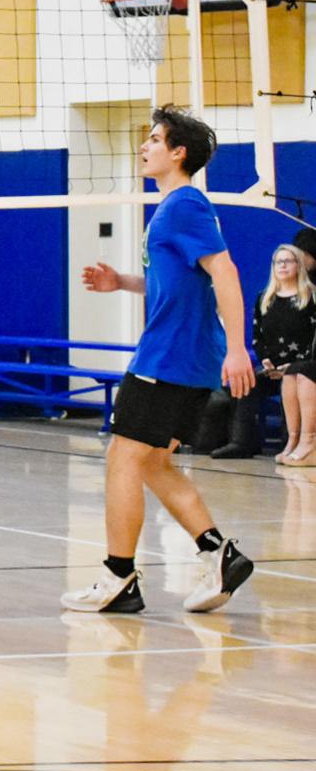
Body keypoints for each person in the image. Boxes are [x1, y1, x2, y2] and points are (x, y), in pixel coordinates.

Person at [63, 106, 255, 616]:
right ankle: (219, 554)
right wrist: (123, 282)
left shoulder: (184, 204)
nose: (143, 146)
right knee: (152, 462)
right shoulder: (173, 209)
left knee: (123, 459)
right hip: (186, 357)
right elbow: (180, 282)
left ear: (178, 152)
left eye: (153, 139)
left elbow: (226, 273)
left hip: (168, 356)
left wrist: (239, 348)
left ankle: (119, 577)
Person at [257, 242, 316, 465]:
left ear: (299, 265)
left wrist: (291, 365)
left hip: (306, 362)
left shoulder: (311, 296)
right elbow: (257, 335)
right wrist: (266, 360)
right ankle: (293, 439)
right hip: (275, 366)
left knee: (297, 371)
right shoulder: (265, 297)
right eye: (278, 262)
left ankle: (309, 440)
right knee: (246, 382)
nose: (282, 265)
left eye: (287, 261)